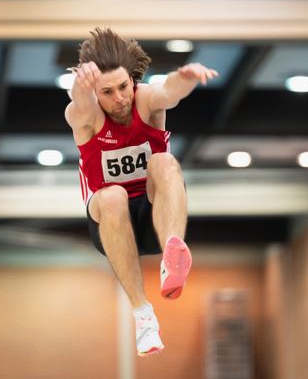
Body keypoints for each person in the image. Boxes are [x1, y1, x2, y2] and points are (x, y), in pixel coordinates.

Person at [64, 27, 218, 356]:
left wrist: (185, 77)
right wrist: (81, 86)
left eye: (124, 86)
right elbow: (78, 103)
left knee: (164, 162)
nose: (120, 98)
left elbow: (169, 92)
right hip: (111, 225)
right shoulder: (86, 116)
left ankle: (173, 254)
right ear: (95, 92)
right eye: (108, 92)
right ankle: (143, 315)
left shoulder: (145, 100)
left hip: (154, 217)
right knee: (113, 195)